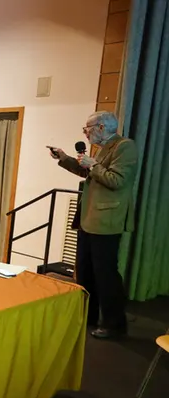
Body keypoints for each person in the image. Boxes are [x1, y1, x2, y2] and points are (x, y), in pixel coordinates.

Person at [49, 111, 137, 339]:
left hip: (107, 220)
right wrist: (64, 157)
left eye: (87, 128)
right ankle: (89, 317)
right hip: (88, 218)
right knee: (86, 271)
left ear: (101, 127)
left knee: (105, 274)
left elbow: (117, 181)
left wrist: (94, 164)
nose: (85, 132)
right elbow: (86, 171)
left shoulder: (124, 147)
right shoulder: (101, 149)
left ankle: (114, 324)